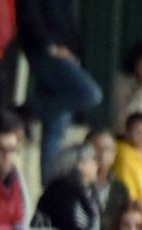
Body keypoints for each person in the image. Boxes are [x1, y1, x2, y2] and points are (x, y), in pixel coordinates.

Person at [18, 0, 101, 179]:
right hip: (45, 51)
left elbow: (68, 23)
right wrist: (50, 47)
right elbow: (29, 14)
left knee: (55, 125)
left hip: (66, 53)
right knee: (91, 94)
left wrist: (74, 54)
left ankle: (50, 185)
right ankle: (31, 109)